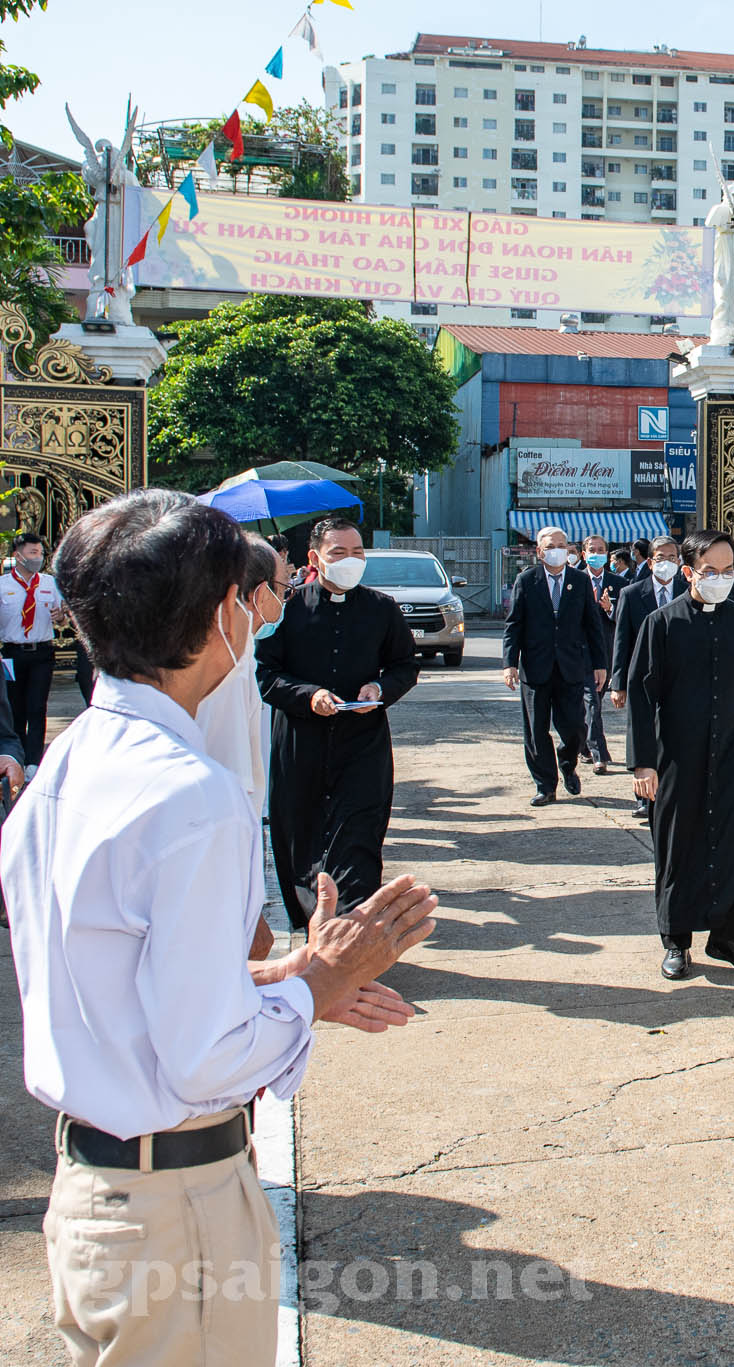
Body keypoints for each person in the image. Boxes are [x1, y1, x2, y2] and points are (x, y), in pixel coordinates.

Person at [7, 489, 436, 1367]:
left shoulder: (71, 761)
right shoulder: (189, 797)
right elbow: (202, 1054)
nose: (255, 611)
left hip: (99, 1189)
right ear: (216, 616)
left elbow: (125, 979)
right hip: (175, 1207)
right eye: (246, 595)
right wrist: (322, 983)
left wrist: (289, 974)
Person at [625, 529, 734, 981]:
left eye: (728, 570)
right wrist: (643, 762)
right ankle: (676, 941)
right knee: (680, 848)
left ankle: (729, 937)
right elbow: (641, 698)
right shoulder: (661, 623)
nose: (721, 578)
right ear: (688, 572)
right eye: (710, 571)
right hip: (680, 757)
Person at [258, 518, 419, 927]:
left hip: (362, 745)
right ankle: (316, 927)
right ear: (315, 558)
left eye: (358, 552)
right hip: (301, 744)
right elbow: (266, 674)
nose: (351, 561)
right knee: (302, 840)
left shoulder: (382, 608)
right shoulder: (287, 609)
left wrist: (379, 690)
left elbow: (404, 666)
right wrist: (309, 695)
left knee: (359, 841)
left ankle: (351, 932)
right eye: (339, 553)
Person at [502, 526, 611, 807]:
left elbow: (592, 624)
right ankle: (545, 785)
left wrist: (600, 663)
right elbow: (514, 625)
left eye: (562, 545)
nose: (557, 550)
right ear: (540, 552)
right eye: (551, 546)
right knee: (536, 731)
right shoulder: (527, 581)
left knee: (575, 727)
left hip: (571, 667)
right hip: (536, 669)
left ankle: (568, 762)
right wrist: (509, 663)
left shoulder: (579, 581)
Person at [198, 536, 290, 814]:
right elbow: (230, 768)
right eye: (284, 589)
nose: (286, 599)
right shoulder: (227, 668)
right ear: (262, 594)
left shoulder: (238, 656)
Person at [608, 536, 684, 822]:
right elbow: (621, 641)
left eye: (672, 557)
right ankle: (643, 795)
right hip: (642, 678)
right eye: (661, 558)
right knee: (642, 731)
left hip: (678, 679)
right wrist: (618, 683)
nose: (667, 562)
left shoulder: (687, 591)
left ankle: (668, 787)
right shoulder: (632, 593)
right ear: (650, 562)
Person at [1, 530, 64, 768]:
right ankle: (15, 758)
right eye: (32, 552)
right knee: (14, 708)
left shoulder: (49, 583)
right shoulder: (2, 586)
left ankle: (34, 763)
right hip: (12, 654)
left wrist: (60, 617)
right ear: (18, 556)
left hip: (42, 653)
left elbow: (62, 619)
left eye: (40, 552)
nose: (38, 557)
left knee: (37, 708)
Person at [581, 534, 625, 775]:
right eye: (592, 550)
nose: (596, 554)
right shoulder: (576, 581)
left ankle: (585, 745)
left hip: (607, 650)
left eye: (600, 550)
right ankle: (599, 753)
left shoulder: (618, 583)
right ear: (583, 554)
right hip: (580, 651)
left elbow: (626, 618)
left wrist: (611, 609)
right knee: (590, 702)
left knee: (592, 701)